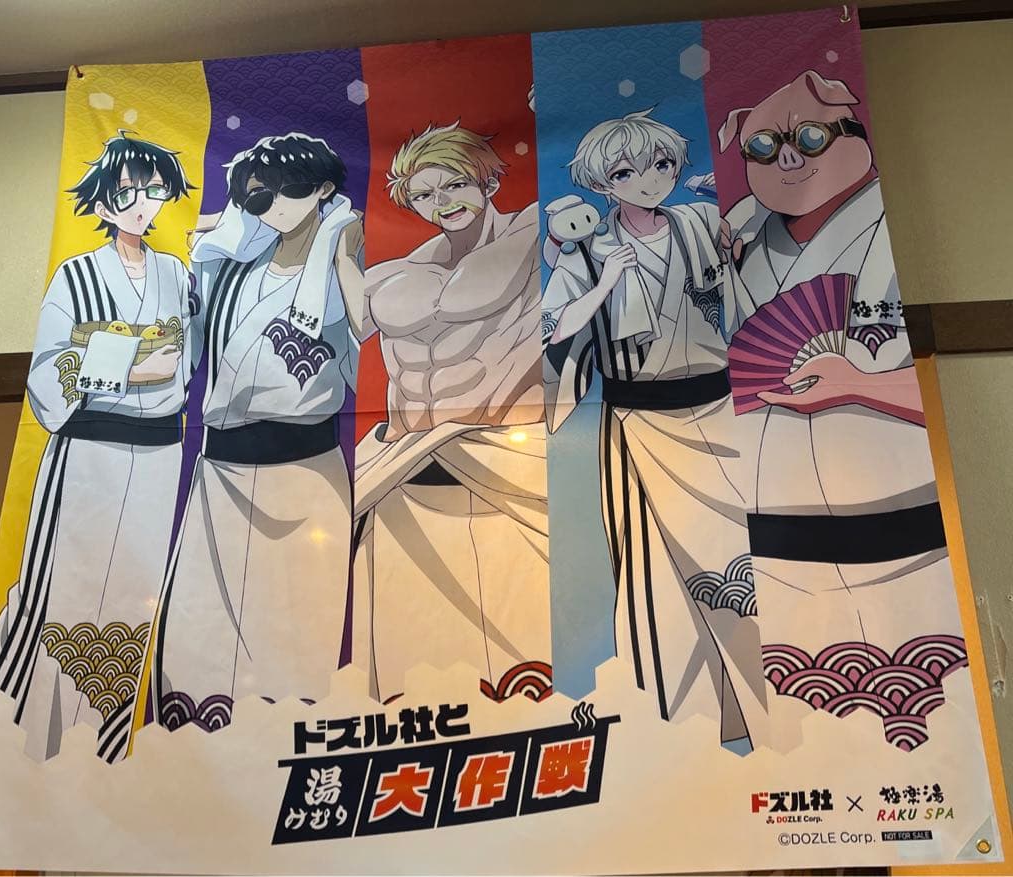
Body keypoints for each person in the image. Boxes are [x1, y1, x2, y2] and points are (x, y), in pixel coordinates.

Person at [718, 70, 967, 750]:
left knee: (917, 702)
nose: (787, 159)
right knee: (805, 723)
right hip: (775, 510)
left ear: (853, 128)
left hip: (895, 502)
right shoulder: (743, 238)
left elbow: (949, 388)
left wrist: (860, 385)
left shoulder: (899, 222)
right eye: (763, 147)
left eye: (809, 137)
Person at [0, 132, 195, 762]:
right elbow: (47, 374)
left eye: (153, 191)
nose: (142, 204)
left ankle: (103, 753)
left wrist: (129, 357)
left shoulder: (176, 274)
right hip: (88, 452)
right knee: (57, 596)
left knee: (133, 604)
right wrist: (131, 365)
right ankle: (16, 746)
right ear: (102, 200)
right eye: (127, 193)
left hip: (159, 456)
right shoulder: (77, 275)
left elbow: (187, 360)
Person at [542, 109, 767, 750]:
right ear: (600, 184)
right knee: (652, 573)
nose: (648, 180)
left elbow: (752, 250)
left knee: (744, 564)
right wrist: (606, 281)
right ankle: (682, 727)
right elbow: (557, 327)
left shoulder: (698, 221)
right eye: (625, 173)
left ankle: (762, 710)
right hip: (637, 421)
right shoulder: (591, 252)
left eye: (661, 164)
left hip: (719, 412)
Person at [152, 132, 362, 731]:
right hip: (221, 471)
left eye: (288, 190)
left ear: (323, 189)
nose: (273, 205)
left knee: (296, 630)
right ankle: (196, 758)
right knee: (202, 629)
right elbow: (184, 350)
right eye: (259, 195)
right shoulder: (228, 270)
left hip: (304, 472)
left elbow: (371, 337)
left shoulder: (340, 265)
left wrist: (343, 254)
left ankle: (286, 750)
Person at [350, 122, 552, 704]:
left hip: (510, 467)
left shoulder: (535, 230)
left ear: (488, 181)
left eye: (455, 184)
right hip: (408, 472)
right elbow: (349, 331)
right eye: (424, 194)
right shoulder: (396, 272)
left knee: (526, 653)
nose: (442, 202)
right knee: (413, 665)